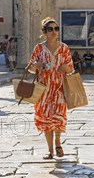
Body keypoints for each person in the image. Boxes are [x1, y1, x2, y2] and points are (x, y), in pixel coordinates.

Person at [27, 17, 74, 160]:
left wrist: (65, 67)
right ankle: (50, 151)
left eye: (56, 29)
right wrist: (37, 66)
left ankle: (58, 144)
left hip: (59, 88)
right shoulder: (39, 48)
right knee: (46, 119)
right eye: (50, 29)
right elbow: (29, 68)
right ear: (44, 32)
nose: (54, 32)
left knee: (58, 117)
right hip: (43, 90)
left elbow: (71, 68)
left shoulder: (64, 48)